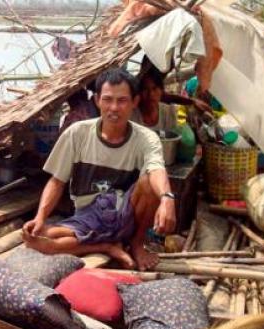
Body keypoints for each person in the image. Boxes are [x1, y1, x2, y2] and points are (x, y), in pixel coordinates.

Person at [22, 68, 177, 271]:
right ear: (97, 100)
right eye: (107, 100)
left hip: (125, 214)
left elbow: (157, 170)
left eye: (122, 101)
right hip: (89, 217)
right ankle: (106, 246)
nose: (114, 107)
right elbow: (56, 181)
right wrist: (40, 218)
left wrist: (167, 198)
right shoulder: (77, 133)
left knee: (149, 181)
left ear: (134, 102)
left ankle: (137, 244)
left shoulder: (146, 138)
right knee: (33, 240)